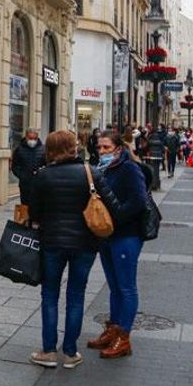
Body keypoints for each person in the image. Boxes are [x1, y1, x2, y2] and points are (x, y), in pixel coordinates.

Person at [28, 131, 121, 369]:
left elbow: (34, 214)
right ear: (73, 147)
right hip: (85, 244)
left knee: (49, 295)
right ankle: (70, 352)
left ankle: (49, 351)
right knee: (76, 296)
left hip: (51, 243)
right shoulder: (91, 173)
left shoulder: (43, 176)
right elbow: (114, 206)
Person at [88, 131, 149, 360]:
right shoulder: (102, 169)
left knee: (126, 287)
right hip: (107, 235)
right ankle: (112, 330)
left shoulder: (129, 169)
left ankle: (123, 338)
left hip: (126, 235)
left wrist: (117, 217)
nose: (101, 151)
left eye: (106, 147)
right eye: (99, 148)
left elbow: (138, 202)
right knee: (114, 286)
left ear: (118, 148)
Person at [11, 129, 45, 208]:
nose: (32, 140)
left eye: (35, 138)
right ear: (26, 137)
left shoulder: (43, 150)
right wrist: (21, 175)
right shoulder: (19, 149)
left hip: (39, 184)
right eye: (30, 138)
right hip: (25, 185)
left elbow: (47, 165)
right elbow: (14, 166)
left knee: (38, 207)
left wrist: (41, 172)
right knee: (25, 207)